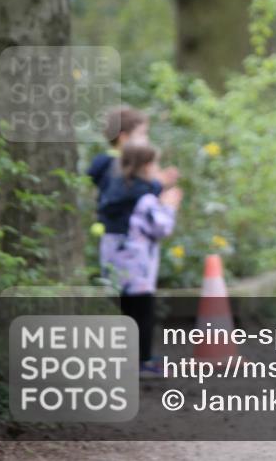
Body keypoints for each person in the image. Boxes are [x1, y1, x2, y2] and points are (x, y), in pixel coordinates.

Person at [99, 142, 183, 377]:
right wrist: (170, 206)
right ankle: (143, 362)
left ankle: (127, 360)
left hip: (115, 262)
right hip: (138, 265)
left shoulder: (117, 192)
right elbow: (161, 227)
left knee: (127, 312)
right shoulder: (144, 198)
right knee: (143, 313)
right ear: (146, 166)